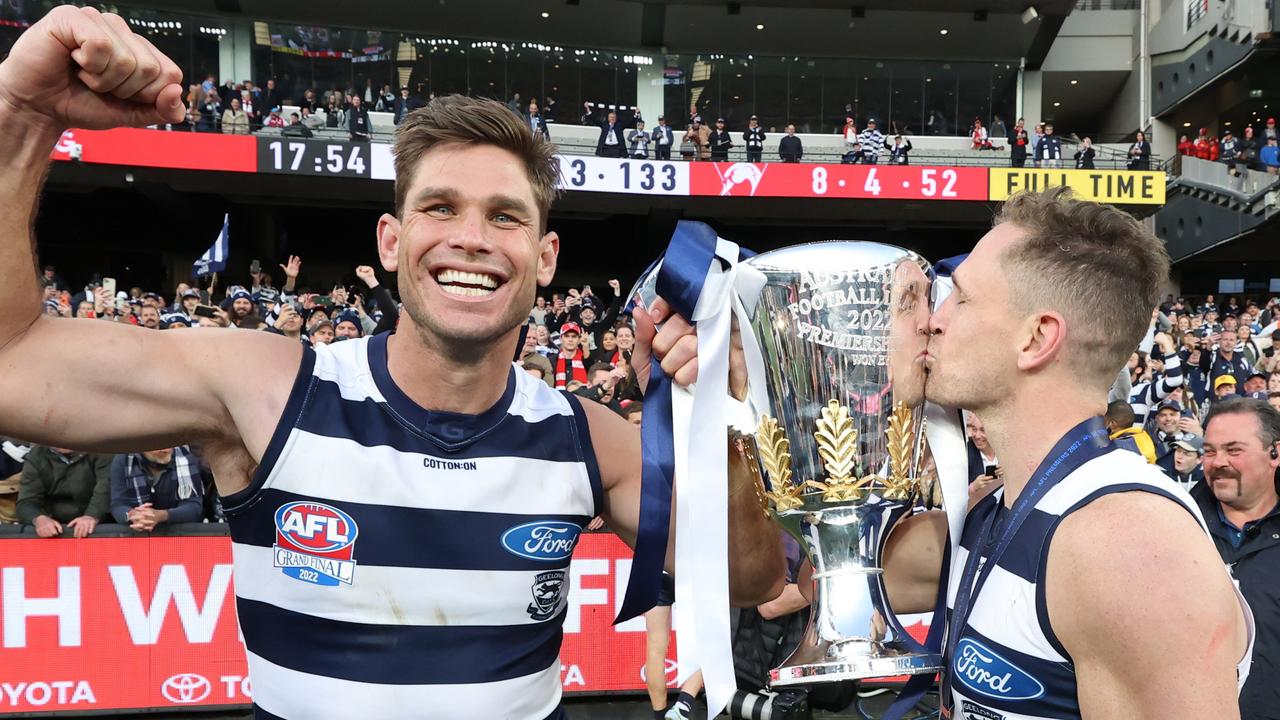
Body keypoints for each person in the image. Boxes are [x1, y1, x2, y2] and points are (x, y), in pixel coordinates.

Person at [0, 12, 783, 717]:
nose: (472, 238)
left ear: (545, 259)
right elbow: (13, 364)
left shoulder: (587, 437)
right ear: (390, 240)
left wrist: (722, 414)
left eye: (504, 216)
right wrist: (22, 120)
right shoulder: (268, 388)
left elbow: (747, 581)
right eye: (440, 207)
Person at [875, 186, 1252, 718]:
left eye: (959, 297)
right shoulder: (993, 507)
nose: (932, 321)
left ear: (1036, 339)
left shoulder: (1128, 544)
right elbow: (814, 585)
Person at [1196, 397, 1280, 719]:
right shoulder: (1175, 528)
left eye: (1234, 450)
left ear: (1274, 453)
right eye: (1209, 451)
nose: (1218, 462)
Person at [17, 446, 111, 538]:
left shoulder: (102, 450)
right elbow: (26, 500)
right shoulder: (37, 455)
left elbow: (105, 489)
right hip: (54, 524)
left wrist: (91, 516)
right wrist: (39, 519)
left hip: (100, 523)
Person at [109, 446, 207, 530]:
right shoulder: (123, 460)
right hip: (137, 533)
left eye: (169, 441)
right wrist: (133, 515)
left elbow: (194, 506)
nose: (165, 448)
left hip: (180, 534)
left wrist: (162, 515)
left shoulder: (186, 457)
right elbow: (118, 504)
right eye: (157, 444)